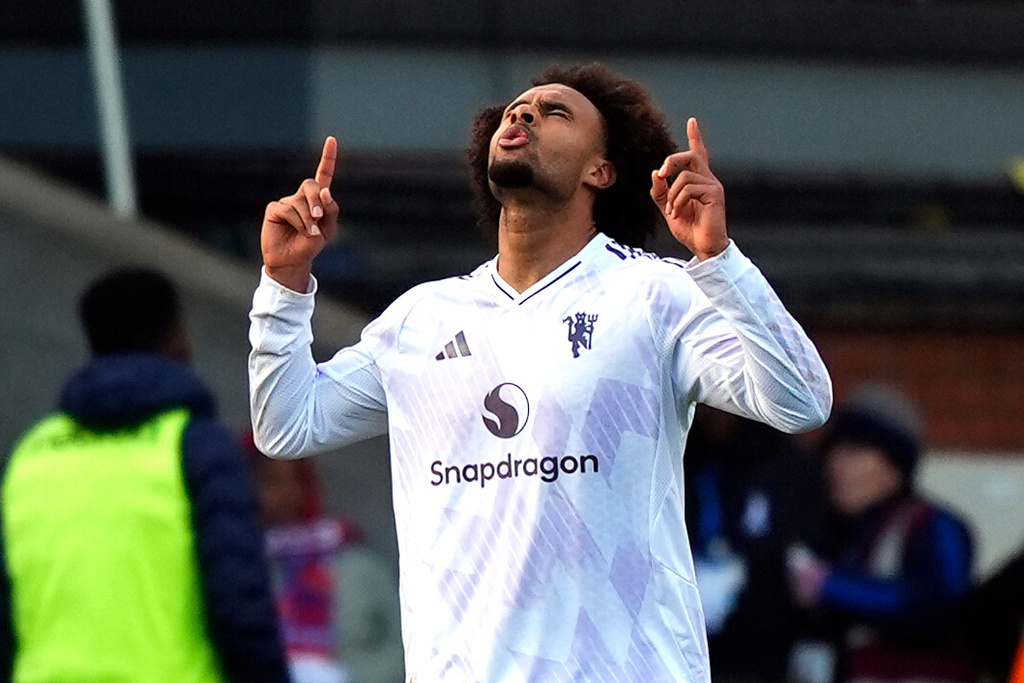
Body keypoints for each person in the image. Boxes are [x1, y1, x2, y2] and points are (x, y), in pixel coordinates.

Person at [249, 63, 832, 681]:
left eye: (554, 112)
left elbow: (801, 400)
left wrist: (718, 260)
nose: (522, 115)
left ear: (600, 171)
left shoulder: (653, 293)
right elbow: (287, 425)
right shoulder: (422, 317)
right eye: (514, 110)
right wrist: (284, 286)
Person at [0, 269, 290, 683]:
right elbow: (240, 608)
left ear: (91, 342)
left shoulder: (32, 454)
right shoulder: (195, 445)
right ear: (176, 336)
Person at [788, 384, 976, 683]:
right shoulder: (833, 529)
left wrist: (831, 586)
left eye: (856, 452)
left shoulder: (932, 525)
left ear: (895, 465)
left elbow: (940, 604)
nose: (838, 465)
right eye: (834, 452)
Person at [684, 406, 829, 683]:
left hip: (762, 655)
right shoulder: (680, 457)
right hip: (687, 650)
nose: (714, 415)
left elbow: (805, 555)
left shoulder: (789, 465)